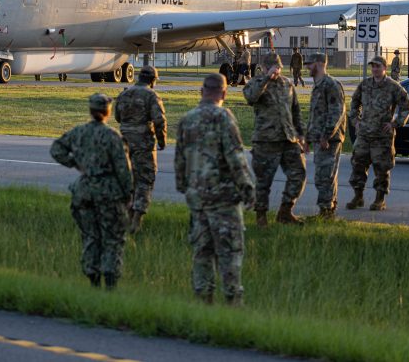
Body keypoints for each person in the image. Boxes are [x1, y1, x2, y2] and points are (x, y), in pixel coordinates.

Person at [175, 73, 255, 306]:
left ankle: (203, 304)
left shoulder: (187, 119)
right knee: (229, 254)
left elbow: (180, 159)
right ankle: (232, 303)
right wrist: (248, 189)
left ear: (202, 92)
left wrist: (184, 186)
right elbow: (235, 158)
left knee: (202, 254)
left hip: (198, 199)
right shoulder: (224, 118)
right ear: (224, 93)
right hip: (223, 200)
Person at [50, 93, 133, 290]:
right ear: (107, 111)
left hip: (84, 191)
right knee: (112, 240)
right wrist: (129, 195)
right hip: (108, 193)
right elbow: (123, 170)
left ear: (90, 110)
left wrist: (76, 163)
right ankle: (110, 284)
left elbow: (56, 149)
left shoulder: (79, 132)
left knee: (90, 237)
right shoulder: (113, 137)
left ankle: (93, 281)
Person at [243, 52, 306, 226]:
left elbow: (295, 110)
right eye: (271, 67)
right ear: (263, 68)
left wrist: (301, 134)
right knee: (264, 181)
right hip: (266, 140)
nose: (275, 70)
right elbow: (251, 97)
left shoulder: (287, 84)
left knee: (298, 174)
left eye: (278, 67)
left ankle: (285, 212)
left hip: (288, 139)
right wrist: (266, 79)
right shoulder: (256, 83)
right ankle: (261, 216)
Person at [346, 56, 409, 211]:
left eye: (378, 66)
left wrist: (395, 123)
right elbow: (354, 102)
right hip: (364, 134)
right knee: (357, 165)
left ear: (384, 68)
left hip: (382, 137)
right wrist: (355, 120)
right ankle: (358, 196)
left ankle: (379, 199)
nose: (375, 69)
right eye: (373, 66)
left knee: (381, 168)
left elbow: (406, 106)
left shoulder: (393, 87)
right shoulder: (365, 84)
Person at [114, 64, 167, 234]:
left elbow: (117, 116)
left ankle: (126, 214)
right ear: (152, 81)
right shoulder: (152, 96)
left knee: (128, 179)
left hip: (125, 142)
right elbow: (159, 120)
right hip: (144, 143)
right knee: (145, 179)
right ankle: (137, 218)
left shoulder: (124, 94)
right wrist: (162, 140)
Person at [303, 53, 347, 218]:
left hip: (329, 139)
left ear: (320, 64)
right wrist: (308, 138)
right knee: (324, 174)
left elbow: (337, 113)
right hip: (319, 138)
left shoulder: (331, 84)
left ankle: (326, 212)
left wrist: (326, 136)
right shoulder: (318, 85)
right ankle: (327, 209)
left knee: (325, 175)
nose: (307, 67)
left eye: (310, 64)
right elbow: (315, 115)